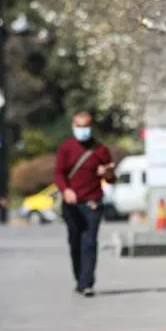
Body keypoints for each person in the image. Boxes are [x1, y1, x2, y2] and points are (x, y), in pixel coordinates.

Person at [54, 110, 115, 297]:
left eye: (86, 126)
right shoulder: (66, 148)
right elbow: (58, 173)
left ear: (91, 127)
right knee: (75, 241)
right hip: (71, 203)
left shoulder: (101, 150)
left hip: (93, 202)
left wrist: (106, 172)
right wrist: (66, 190)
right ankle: (79, 278)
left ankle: (87, 282)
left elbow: (111, 178)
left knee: (89, 242)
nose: (83, 130)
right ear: (73, 126)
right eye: (79, 126)